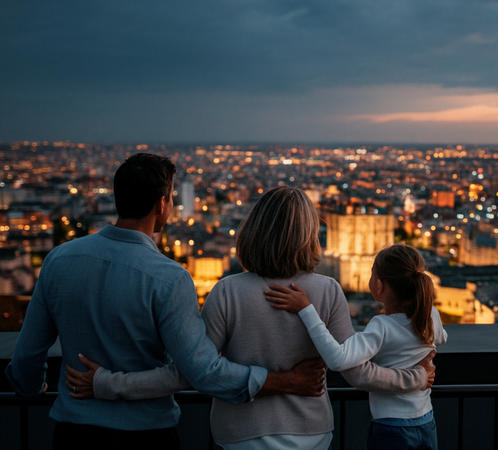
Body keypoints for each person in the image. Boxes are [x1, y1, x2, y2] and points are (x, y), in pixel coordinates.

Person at [66, 186, 436, 450]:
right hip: (310, 431)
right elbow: (356, 372)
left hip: (240, 432)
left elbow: (188, 372)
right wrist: (414, 377)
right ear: (309, 235)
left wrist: (108, 385)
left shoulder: (228, 292)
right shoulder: (326, 290)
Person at [5, 154, 325, 450]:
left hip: (74, 431)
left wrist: (32, 391)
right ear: (162, 204)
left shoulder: (59, 261)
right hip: (146, 435)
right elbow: (201, 371)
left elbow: (26, 357)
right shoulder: (168, 278)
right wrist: (287, 381)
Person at [265, 243, 447, 450]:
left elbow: (337, 359)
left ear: (379, 285)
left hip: (393, 427)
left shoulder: (382, 326)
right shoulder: (431, 315)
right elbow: (440, 339)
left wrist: (307, 310)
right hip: (426, 420)